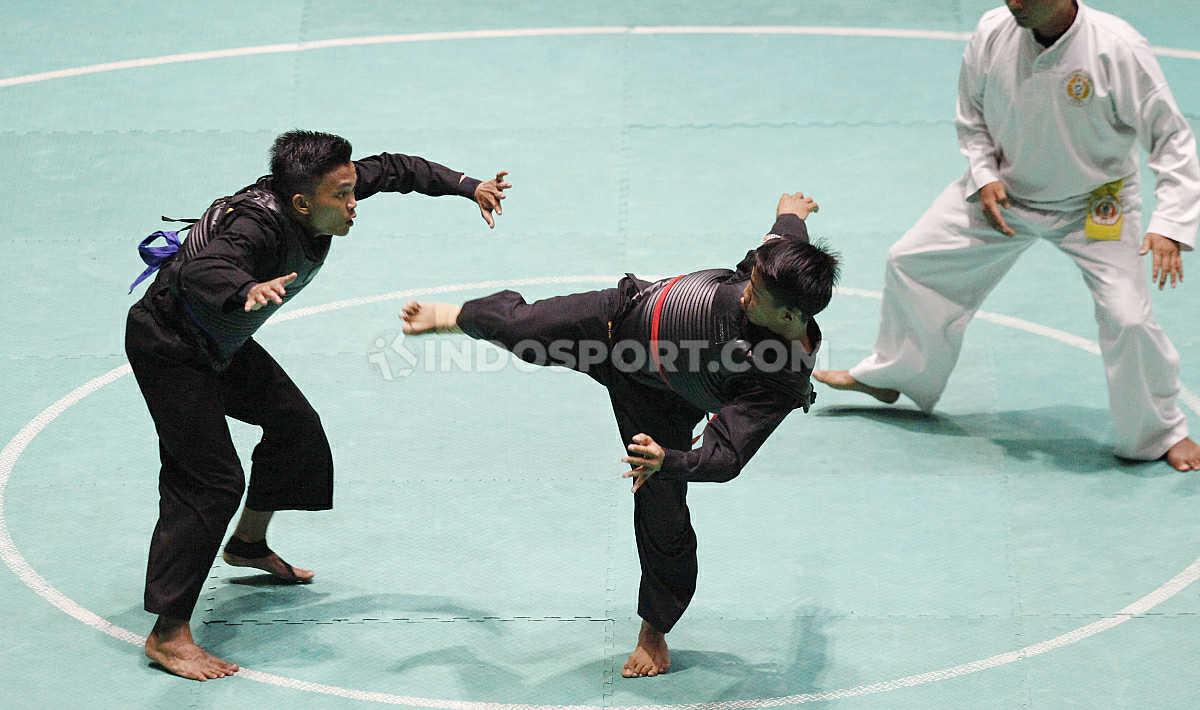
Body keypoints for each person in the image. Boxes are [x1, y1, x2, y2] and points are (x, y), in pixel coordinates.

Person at [400, 192, 840, 678]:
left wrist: (666, 461)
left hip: (661, 403)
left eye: (756, 297)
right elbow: (786, 231)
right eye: (751, 282)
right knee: (524, 330)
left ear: (790, 318)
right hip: (618, 318)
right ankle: (455, 317)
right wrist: (793, 210)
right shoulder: (778, 267)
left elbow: (726, 457)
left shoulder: (777, 379)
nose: (744, 292)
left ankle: (655, 629)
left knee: (662, 514)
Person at [124, 130, 511, 681]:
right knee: (209, 481)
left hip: (221, 343)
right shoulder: (255, 226)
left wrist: (468, 187)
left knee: (295, 428)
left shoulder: (325, 188)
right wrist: (243, 290)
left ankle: (248, 544)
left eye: (354, 190)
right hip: (170, 349)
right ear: (302, 203)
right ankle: (168, 633)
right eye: (344, 197)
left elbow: (397, 168)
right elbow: (202, 267)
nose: (355, 204)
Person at [815, 0, 1200, 471]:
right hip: (1004, 195)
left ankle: (1160, 432)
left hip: (1095, 205)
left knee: (1129, 318)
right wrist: (983, 172)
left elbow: (1172, 139)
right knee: (912, 259)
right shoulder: (993, 29)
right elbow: (972, 117)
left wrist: (1170, 224)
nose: (1014, 3)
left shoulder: (1117, 48)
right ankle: (894, 374)